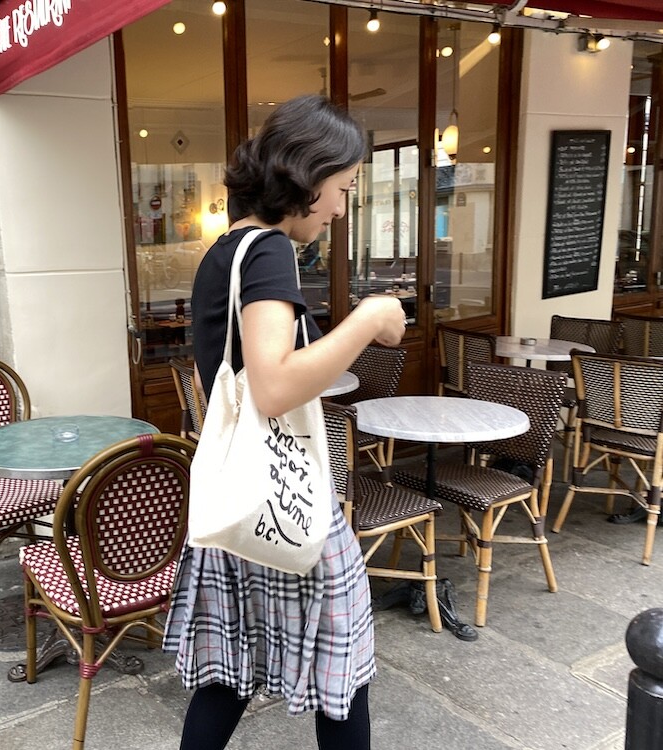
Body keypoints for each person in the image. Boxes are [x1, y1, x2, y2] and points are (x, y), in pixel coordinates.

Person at [162, 94, 406, 750]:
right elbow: (272, 388)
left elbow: (229, 379)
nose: (341, 208)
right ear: (309, 174)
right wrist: (369, 318)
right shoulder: (269, 251)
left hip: (237, 502)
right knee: (343, 666)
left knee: (230, 674)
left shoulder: (226, 253)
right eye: (343, 188)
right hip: (287, 499)